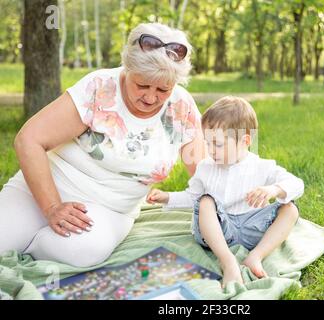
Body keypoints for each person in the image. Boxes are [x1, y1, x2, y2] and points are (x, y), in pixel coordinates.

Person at [0, 23, 205, 267]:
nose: (151, 98)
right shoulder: (98, 87)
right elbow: (29, 139)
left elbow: (205, 174)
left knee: (81, 250)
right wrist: (52, 207)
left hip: (108, 210)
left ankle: (30, 246)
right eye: (142, 86)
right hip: (42, 188)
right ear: (127, 68)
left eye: (163, 89)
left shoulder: (182, 107)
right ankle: (25, 236)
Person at [147, 96, 304, 286]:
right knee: (205, 201)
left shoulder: (261, 166)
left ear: (245, 141)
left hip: (252, 227)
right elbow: (192, 197)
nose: (211, 150)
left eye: (218, 144)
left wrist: (274, 190)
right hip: (218, 230)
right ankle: (228, 261)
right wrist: (167, 198)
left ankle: (256, 256)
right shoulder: (206, 167)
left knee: (290, 209)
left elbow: (297, 184)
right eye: (208, 143)